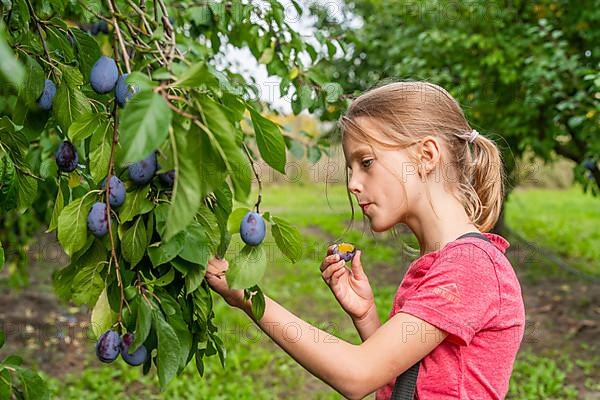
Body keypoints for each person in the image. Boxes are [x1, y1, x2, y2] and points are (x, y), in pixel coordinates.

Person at [205, 81, 526, 399]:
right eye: (350, 169)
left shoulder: (470, 267)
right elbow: (405, 381)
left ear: (426, 155)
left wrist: (247, 298)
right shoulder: (439, 265)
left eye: (366, 163)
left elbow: (358, 376)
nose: (353, 184)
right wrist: (366, 316)